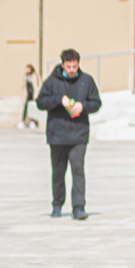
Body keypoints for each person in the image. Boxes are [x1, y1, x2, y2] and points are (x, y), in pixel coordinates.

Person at [35, 48, 101, 220]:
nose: (72, 70)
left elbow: (96, 103)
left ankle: (79, 207)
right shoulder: (52, 82)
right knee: (58, 172)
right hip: (57, 135)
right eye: (68, 66)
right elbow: (40, 102)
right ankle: (57, 205)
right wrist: (58, 99)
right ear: (62, 64)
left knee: (78, 170)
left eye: (74, 66)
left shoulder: (86, 81)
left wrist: (83, 107)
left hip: (79, 135)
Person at [19, 65, 40, 129]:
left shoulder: (35, 75)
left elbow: (38, 84)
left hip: (33, 94)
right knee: (25, 108)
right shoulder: (26, 76)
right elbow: (24, 85)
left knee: (33, 108)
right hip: (27, 94)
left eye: (28, 68)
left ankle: (33, 121)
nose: (27, 70)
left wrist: (37, 93)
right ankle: (23, 121)